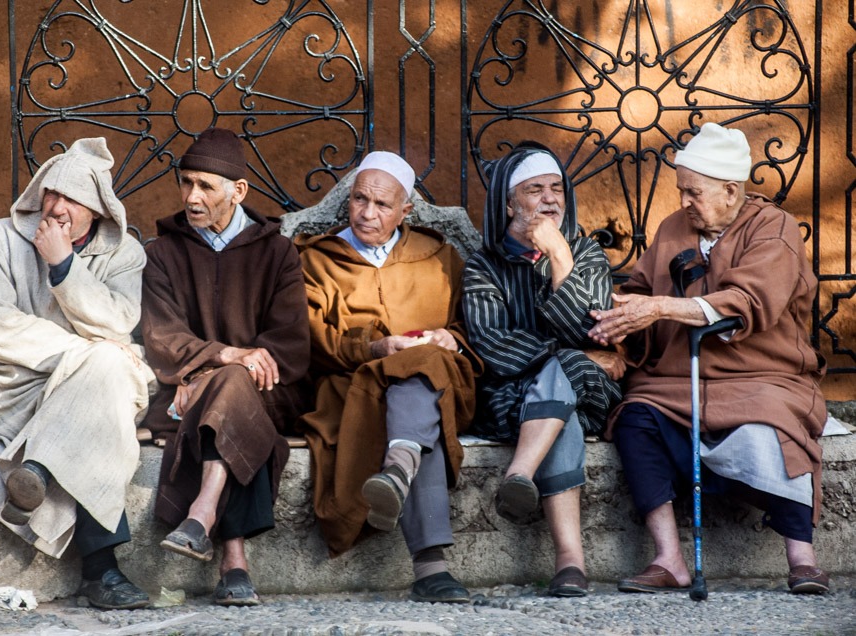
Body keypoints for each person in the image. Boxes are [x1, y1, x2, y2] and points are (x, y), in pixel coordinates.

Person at [589, 122, 830, 594]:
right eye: (681, 191)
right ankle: (669, 559)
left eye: (692, 192)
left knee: (777, 424)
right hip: (675, 380)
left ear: (731, 191)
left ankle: (803, 558)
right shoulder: (673, 229)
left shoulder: (773, 228)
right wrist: (615, 336)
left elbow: (751, 300)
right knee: (636, 418)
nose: (683, 202)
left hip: (760, 375)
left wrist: (660, 307)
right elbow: (640, 293)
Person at [0, 138, 153, 609]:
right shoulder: (2, 240)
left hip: (87, 394)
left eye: (71, 199)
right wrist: (85, 353)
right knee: (109, 369)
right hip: (23, 387)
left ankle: (36, 468)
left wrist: (63, 265)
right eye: (50, 193)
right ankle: (103, 572)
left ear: (97, 211)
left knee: (106, 378)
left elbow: (118, 320)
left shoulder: (126, 254)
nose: (55, 207)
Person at [296, 151, 482, 603]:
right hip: (354, 386)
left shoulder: (440, 257)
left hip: (434, 378)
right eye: (360, 200)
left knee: (424, 368)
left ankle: (398, 468)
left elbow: (471, 328)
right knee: (420, 425)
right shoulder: (317, 260)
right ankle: (431, 566)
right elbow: (313, 339)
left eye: (381, 205)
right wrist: (376, 348)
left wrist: (448, 340)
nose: (366, 213)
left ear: (406, 211)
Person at [140, 128, 312, 606]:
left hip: (269, 388)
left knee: (235, 389)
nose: (192, 197)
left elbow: (289, 344)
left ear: (238, 192)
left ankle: (202, 511)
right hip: (184, 391)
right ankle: (233, 558)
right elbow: (161, 336)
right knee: (233, 397)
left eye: (205, 186)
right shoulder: (162, 254)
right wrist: (219, 360)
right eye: (186, 183)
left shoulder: (277, 252)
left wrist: (212, 373)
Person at [461, 142, 624, 597]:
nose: (551, 199)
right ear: (510, 202)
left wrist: (559, 256)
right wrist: (563, 352)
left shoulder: (586, 253)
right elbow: (493, 348)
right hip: (511, 399)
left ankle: (519, 473)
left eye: (557, 189)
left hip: (591, 391)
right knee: (562, 400)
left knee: (570, 370)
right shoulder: (483, 267)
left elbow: (592, 331)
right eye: (535, 190)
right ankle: (571, 564)